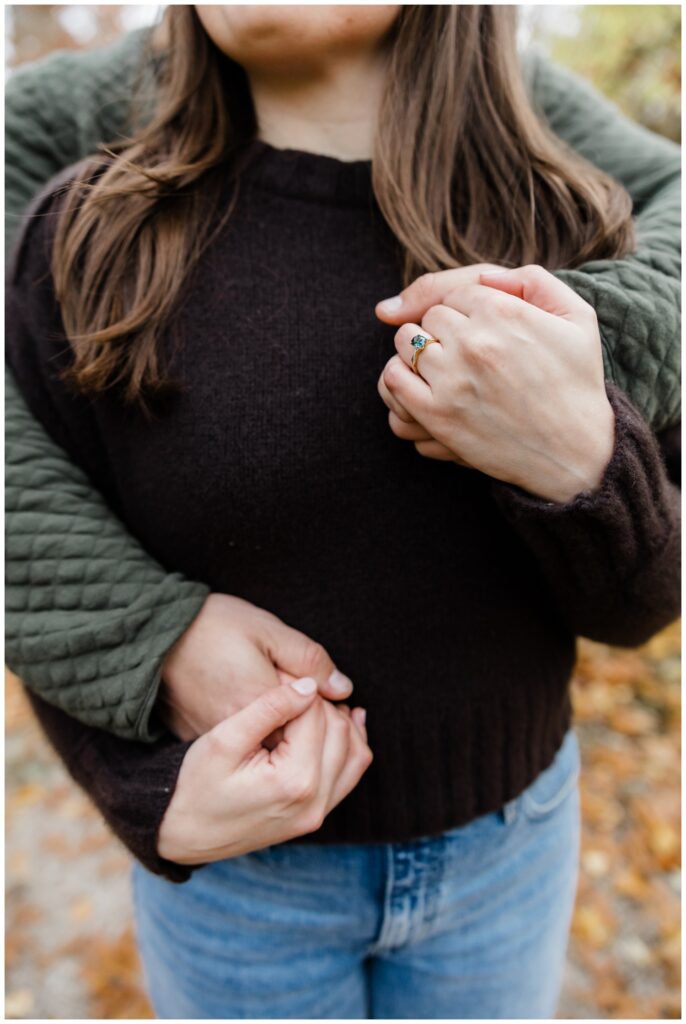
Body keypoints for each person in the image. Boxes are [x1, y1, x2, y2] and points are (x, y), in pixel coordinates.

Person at [5, 6, 681, 1019]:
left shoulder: (563, 232)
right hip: (240, 887)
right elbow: (38, 558)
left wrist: (581, 456)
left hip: (512, 852)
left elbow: (637, 608)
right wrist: (140, 791)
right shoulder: (88, 237)